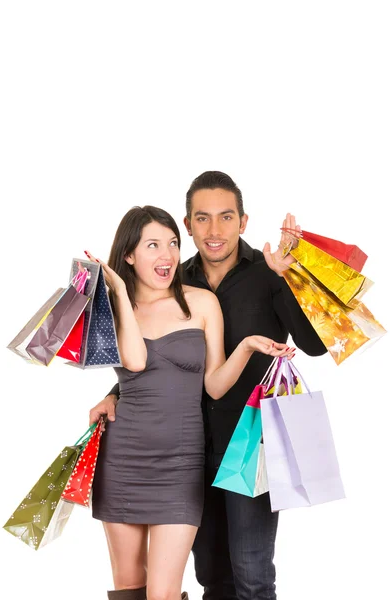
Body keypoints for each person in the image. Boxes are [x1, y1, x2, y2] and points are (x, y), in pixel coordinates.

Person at [91, 172, 327, 600]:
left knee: (253, 574)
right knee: (211, 576)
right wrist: (114, 395)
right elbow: (152, 365)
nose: (214, 230)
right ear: (188, 224)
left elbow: (314, 345)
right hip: (192, 447)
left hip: (251, 442)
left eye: (225, 217)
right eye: (202, 219)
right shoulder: (174, 279)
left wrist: (290, 278)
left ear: (244, 221)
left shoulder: (269, 272)